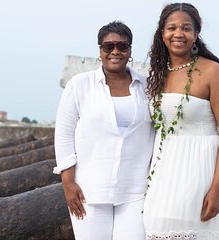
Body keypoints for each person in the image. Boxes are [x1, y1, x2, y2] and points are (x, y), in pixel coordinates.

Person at [143, 3, 219, 240]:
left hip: (200, 171)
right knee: (157, 230)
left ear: (196, 33)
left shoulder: (212, 72)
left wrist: (217, 189)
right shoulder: (157, 74)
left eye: (186, 28)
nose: (178, 34)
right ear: (162, 33)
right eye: (171, 28)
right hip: (163, 172)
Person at [53, 21, 155, 240]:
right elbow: (63, 134)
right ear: (100, 50)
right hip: (89, 190)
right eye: (108, 46)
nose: (115, 52)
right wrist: (68, 183)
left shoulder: (147, 87)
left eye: (122, 46)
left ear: (130, 51)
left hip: (136, 190)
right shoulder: (80, 85)